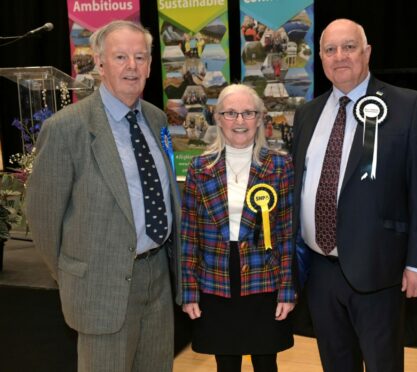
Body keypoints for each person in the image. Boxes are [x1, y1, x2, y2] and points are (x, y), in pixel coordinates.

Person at [25, 20, 182, 372]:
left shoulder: (156, 119)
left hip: (157, 278)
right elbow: (43, 216)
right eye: (121, 57)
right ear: (99, 63)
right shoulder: (67, 129)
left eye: (140, 57)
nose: (132, 66)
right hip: (101, 288)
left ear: (150, 65)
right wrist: (76, 274)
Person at [292, 18, 417, 372]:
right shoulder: (307, 114)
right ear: (320, 58)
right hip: (319, 270)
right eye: (330, 49)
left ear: (367, 52)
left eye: (349, 47)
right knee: (335, 364)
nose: (340, 56)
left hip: (379, 267)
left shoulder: (407, 107)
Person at [181, 84, 296, 372]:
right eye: (231, 113)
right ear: (217, 118)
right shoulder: (199, 167)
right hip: (215, 280)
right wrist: (189, 291)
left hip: (263, 277)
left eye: (248, 113)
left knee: (266, 362)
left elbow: (286, 234)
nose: (240, 121)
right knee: (226, 364)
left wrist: (286, 289)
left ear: (260, 118)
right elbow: (188, 236)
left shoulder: (280, 166)